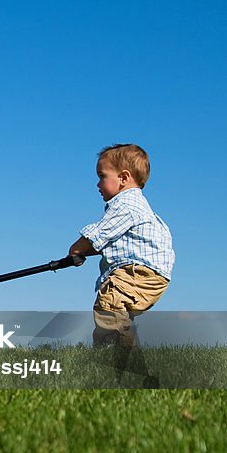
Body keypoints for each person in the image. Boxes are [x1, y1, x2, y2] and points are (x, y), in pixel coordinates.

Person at [68, 143, 174, 347]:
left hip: (136, 272)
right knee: (117, 313)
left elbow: (98, 234)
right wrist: (84, 252)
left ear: (124, 178)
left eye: (102, 176)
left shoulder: (126, 204)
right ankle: (119, 352)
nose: (97, 184)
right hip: (148, 274)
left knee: (109, 306)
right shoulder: (138, 207)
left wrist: (76, 249)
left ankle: (113, 354)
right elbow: (102, 242)